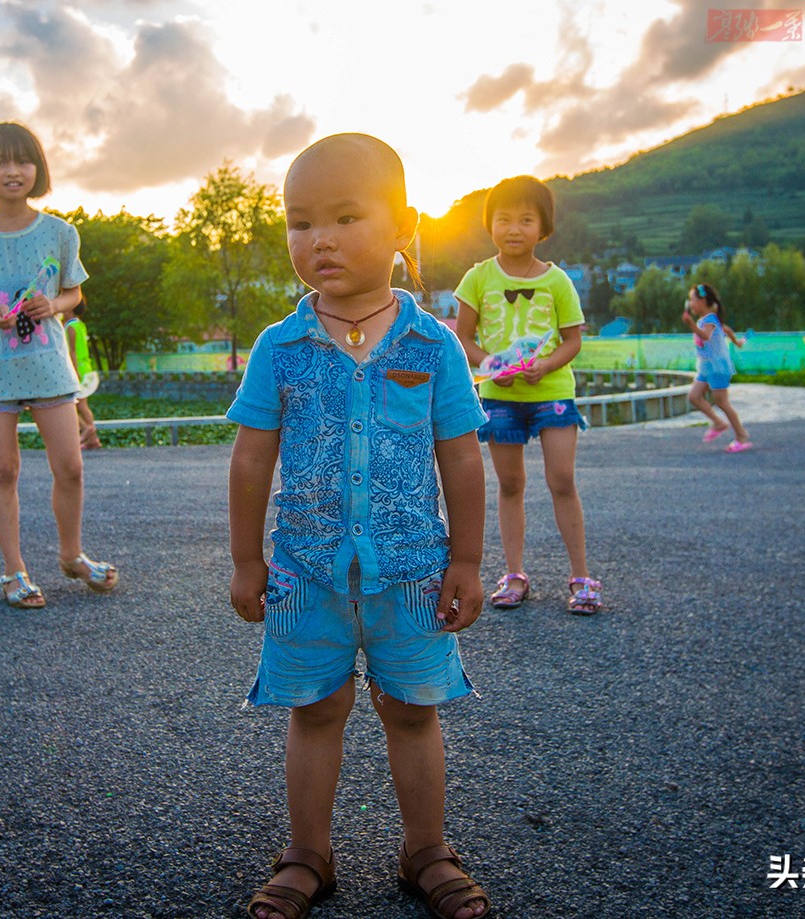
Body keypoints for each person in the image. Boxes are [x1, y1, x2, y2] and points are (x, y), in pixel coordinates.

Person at [229, 133, 491, 919]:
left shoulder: (432, 344)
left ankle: (425, 850)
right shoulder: (280, 347)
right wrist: (247, 561)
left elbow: (463, 460)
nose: (321, 239)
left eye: (346, 217)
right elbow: (249, 463)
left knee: (412, 708)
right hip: (305, 570)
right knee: (316, 708)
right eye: (301, 221)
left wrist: (470, 561)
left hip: (413, 569)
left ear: (405, 225)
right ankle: (308, 850)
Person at [0, 122, 118, 608]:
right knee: (4, 469)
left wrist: (53, 306)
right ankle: (14, 572)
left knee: (71, 466)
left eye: (23, 161)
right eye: (0, 162)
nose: (13, 171)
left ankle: (71, 555)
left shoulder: (60, 232)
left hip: (48, 365)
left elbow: (74, 293)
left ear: (37, 168)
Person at [454, 175, 603, 616]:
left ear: (544, 227)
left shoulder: (558, 282)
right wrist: (492, 366)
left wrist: (547, 365)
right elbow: (462, 338)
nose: (513, 228)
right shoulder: (477, 277)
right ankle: (514, 575)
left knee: (561, 480)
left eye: (525, 219)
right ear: (490, 224)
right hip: (499, 397)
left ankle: (581, 577)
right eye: (503, 219)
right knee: (510, 485)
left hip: (552, 392)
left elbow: (573, 341)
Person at [681, 282, 752, 452]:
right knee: (694, 396)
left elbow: (705, 336)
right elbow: (725, 329)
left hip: (717, 367)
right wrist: (737, 342)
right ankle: (719, 423)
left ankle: (741, 436)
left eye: (692, 300)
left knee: (722, 402)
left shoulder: (710, 320)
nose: (690, 304)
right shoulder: (707, 320)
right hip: (706, 367)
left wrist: (690, 324)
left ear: (703, 301)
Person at [65, 299, 102, 450]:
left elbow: (72, 351)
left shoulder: (70, 327)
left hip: (78, 369)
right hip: (86, 367)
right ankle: (93, 438)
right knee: (83, 405)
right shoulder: (80, 324)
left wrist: (73, 372)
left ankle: (87, 429)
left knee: (72, 405)